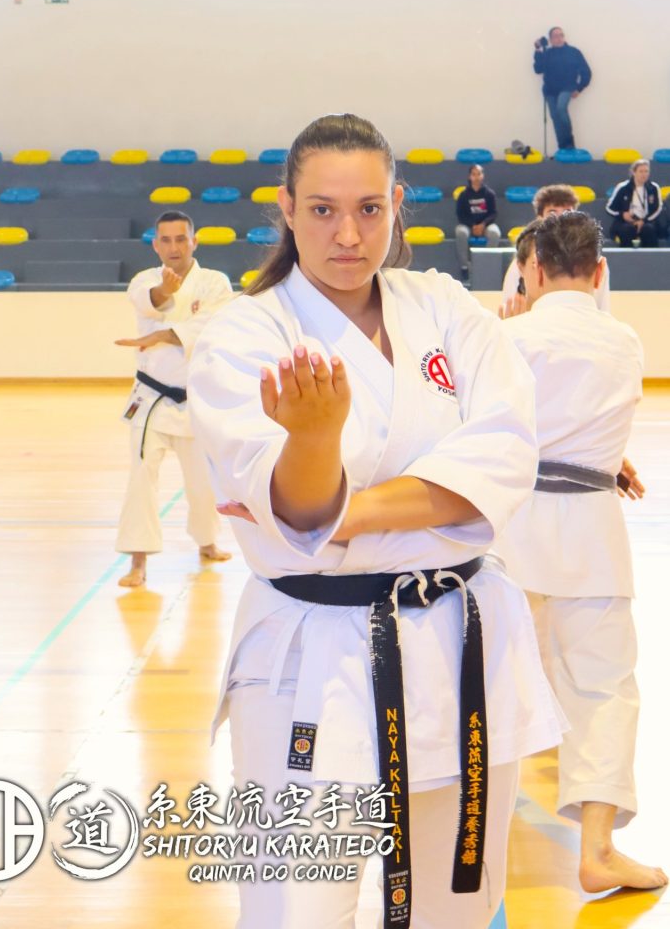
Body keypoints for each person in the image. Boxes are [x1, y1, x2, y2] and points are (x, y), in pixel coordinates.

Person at [186, 114, 565, 929]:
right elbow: (293, 507)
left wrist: (343, 510)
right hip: (311, 650)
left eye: (367, 208)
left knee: (456, 907)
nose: (348, 235)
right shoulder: (243, 333)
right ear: (286, 208)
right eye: (322, 210)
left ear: (396, 204)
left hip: (458, 641)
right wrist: (313, 448)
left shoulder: (443, 307)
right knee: (294, 908)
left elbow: (504, 458)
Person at [497, 211, 668, 894]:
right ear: (599, 272)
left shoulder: (507, 337)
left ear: (532, 269)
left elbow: (487, 426)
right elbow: (590, 419)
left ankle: (471, 826)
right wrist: (607, 460)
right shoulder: (623, 339)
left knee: (489, 676)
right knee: (602, 687)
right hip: (592, 527)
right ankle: (596, 849)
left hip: (510, 525)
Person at [114, 210, 232, 587]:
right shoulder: (145, 280)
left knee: (202, 482)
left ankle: (207, 542)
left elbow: (211, 326)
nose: (174, 247)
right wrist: (166, 292)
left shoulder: (214, 283)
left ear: (194, 241)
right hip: (151, 398)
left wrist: (163, 335)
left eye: (181, 239)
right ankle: (138, 560)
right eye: (165, 240)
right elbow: (150, 300)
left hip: (196, 400)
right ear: (155, 245)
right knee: (141, 476)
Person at [500, 184, 610, 317]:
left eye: (567, 212)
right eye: (552, 212)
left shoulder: (592, 259)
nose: (560, 217)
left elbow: (602, 308)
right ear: (540, 217)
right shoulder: (524, 260)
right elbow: (509, 307)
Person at [533, 26, 591, 151]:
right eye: (555, 36)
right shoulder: (547, 53)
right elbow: (538, 69)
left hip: (567, 87)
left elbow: (586, 72)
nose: (559, 38)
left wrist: (579, 88)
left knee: (561, 108)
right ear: (550, 39)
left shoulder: (574, 52)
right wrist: (538, 50)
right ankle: (563, 148)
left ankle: (570, 144)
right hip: (550, 90)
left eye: (561, 35)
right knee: (556, 118)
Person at [454, 164, 500, 282]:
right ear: (470, 176)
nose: (476, 177)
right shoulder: (463, 195)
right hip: (469, 225)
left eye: (479, 174)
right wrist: (472, 226)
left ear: (482, 176)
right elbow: (460, 215)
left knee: (495, 233)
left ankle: (485, 264)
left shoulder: (489, 194)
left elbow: (493, 213)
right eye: (474, 174)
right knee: (460, 232)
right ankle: (465, 267)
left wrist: (483, 224)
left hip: (485, 225)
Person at [606, 158, 662, 248]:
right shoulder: (622, 187)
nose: (644, 174)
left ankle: (651, 256)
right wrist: (622, 214)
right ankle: (626, 256)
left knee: (649, 229)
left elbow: (658, 209)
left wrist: (643, 221)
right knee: (627, 230)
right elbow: (609, 208)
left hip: (646, 221)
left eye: (646, 171)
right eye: (641, 171)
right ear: (634, 172)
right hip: (625, 222)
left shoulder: (654, 188)